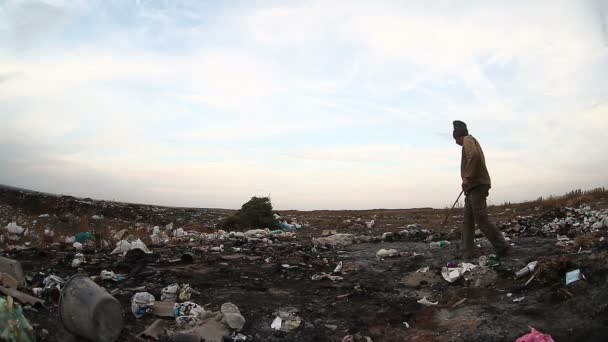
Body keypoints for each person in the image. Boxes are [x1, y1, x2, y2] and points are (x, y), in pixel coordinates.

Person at [453, 120, 510, 259]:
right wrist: (467, 182)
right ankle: (466, 252)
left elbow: (475, 156)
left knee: (481, 219)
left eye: (456, 139)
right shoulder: (467, 142)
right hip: (472, 187)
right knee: (467, 220)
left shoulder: (468, 139)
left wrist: (467, 177)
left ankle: (502, 247)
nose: (455, 142)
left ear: (460, 135)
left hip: (478, 185)